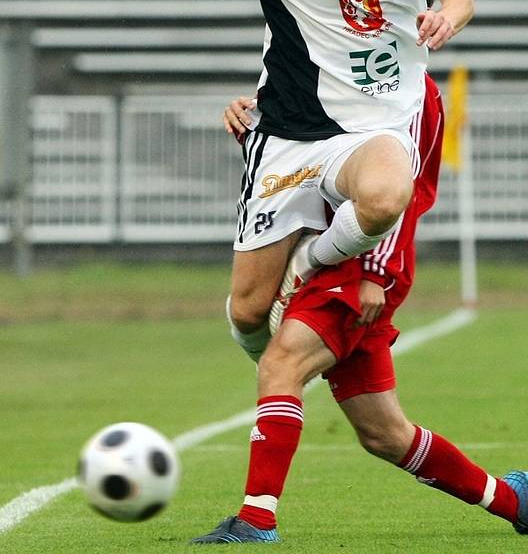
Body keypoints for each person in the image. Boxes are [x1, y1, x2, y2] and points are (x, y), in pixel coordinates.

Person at [15, 0, 474, 352]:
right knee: (250, 313)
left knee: (386, 195)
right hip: (288, 130)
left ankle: (311, 263)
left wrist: (447, 14)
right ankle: (268, 375)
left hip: (380, 117)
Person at [191, 73, 528, 544]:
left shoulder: (413, 91)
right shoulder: (330, 61)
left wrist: (375, 271)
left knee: (281, 363)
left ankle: (256, 521)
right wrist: (253, 124)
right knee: (385, 435)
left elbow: (402, 193)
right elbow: (299, 154)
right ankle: (516, 502)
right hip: (328, 251)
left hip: (358, 267)